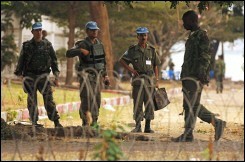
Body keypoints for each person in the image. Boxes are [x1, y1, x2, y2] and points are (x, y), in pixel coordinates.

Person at [171, 10, 226, 142]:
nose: (183, 25)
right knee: (189, 105)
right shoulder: (192, 36)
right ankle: (191, 132)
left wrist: (201, 75)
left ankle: (209, 125)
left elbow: (205, 57)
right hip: (188, 76)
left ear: (192, 21)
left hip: (195, 77)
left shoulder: (202, 36)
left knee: (191, 105)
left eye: (185, 22)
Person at [14, 22, 63, 128]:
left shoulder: (47, 45)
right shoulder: (27, 46)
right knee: (32, 100)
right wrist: (20, 74)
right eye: (36, 30)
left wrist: (56, 76)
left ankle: (56, 121)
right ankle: (34, 122)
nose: (38, 32)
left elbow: (54, 61)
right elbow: (21, 60)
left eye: (40, 30)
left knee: (48, 99)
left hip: (43, 76)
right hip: (30, 76)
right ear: (32, 32)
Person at [66, 21, 110, 127]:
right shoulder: (82, 43)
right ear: (87, 31)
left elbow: (102, 62)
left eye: (96, 30)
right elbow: (68, 53)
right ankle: (85, 121)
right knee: (86, 98)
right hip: (86, 76)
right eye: (92, 30)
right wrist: (80, 50)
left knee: (96, 99)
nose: (95, 32)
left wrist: (105, 76)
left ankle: (94, 121)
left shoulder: (99, 45)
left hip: (96, 77)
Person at [119, 27, 161, 133]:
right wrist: (131, 70)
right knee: (138, 103)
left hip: (149, 81)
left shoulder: (151, 50)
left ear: (147, 36)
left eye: (145, 35)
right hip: (138, 81)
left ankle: (147, 126)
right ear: (137, 37)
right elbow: (122, 60)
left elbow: (156, 65)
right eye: (141, 35)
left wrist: (156, 79)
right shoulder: (132, 50)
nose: (143, 37)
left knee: (149, 103)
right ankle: (138, 126)